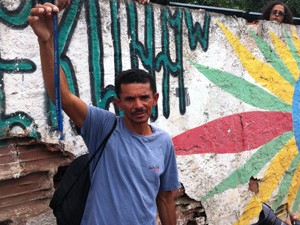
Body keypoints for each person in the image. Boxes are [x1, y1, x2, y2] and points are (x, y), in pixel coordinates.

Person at [28, 3, 180, 225]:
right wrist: (46, 41)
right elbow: (61, 95)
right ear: (118, 103)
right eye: (129, 99)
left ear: (155, 99)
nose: (138, 105)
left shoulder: (163, 142)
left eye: (144, 97)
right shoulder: (103, 126)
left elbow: (165, 197)